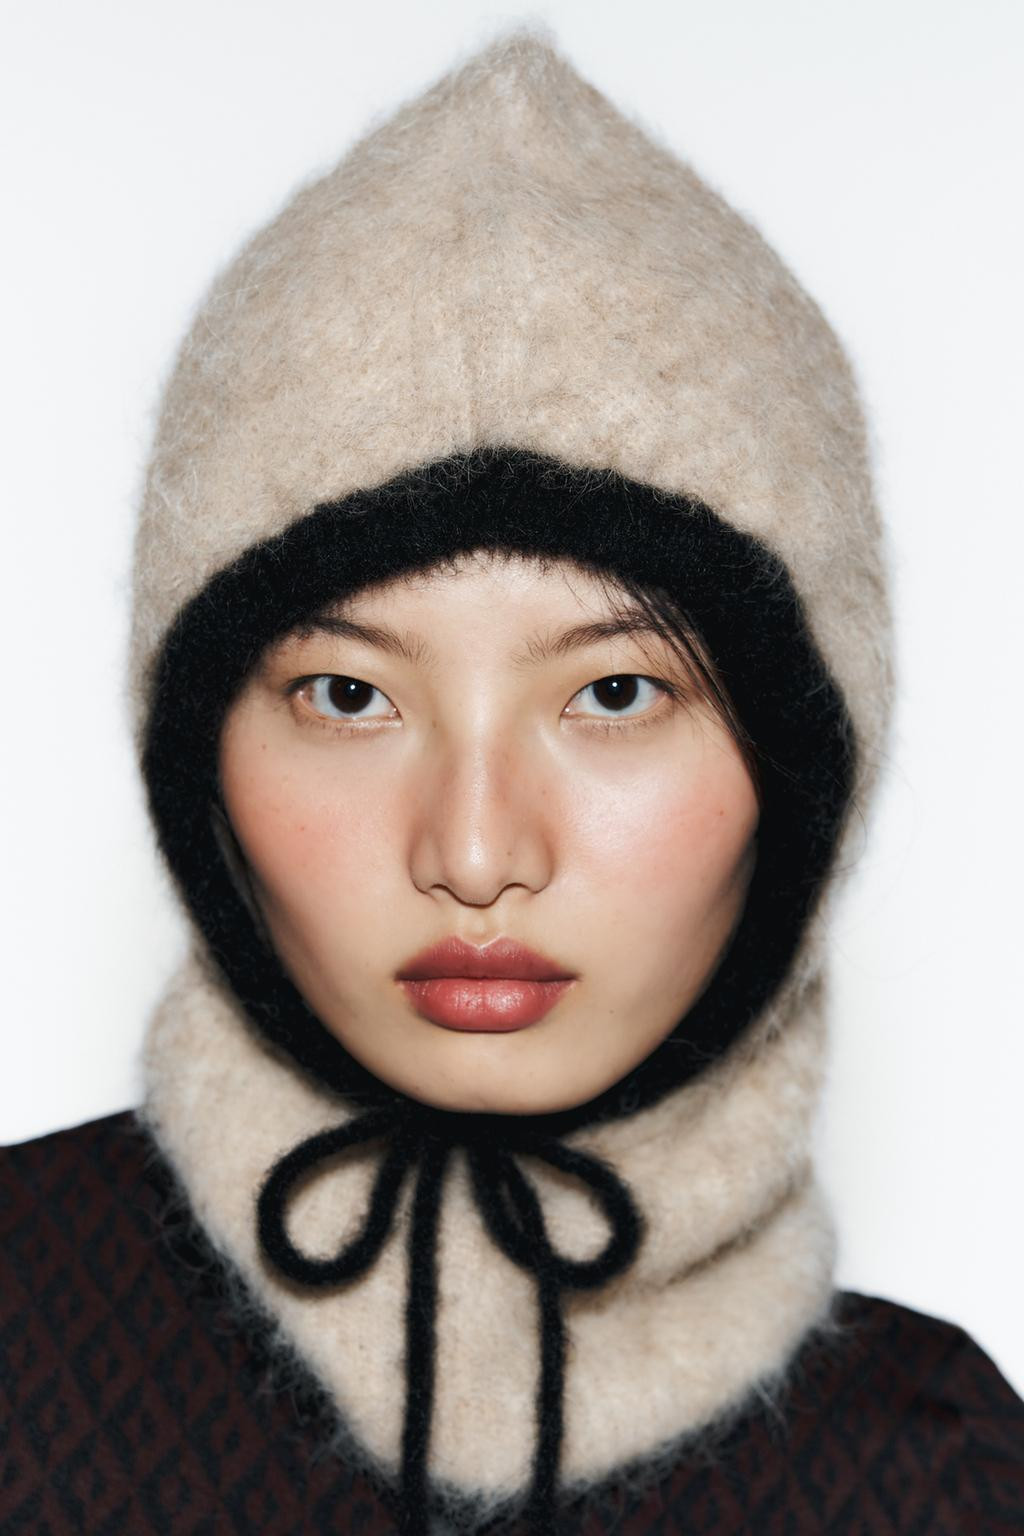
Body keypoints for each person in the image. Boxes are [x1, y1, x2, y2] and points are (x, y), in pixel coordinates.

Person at [2, 30, 1022, 1536]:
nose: (476, 852)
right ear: (195, 755)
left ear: (808, 769)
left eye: (615, 693)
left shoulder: (939, 1469)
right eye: (349, 694)